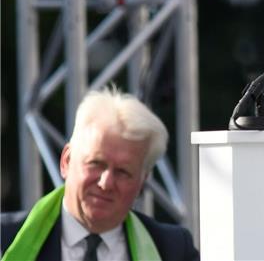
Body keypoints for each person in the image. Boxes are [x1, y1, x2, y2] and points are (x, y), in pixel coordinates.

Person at [1, 87, 199, 261]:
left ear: (142, 182)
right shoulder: (6, 242)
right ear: (66, 161)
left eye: (123, 172)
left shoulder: (172, 251)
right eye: (95, 163)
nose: (106, 183)